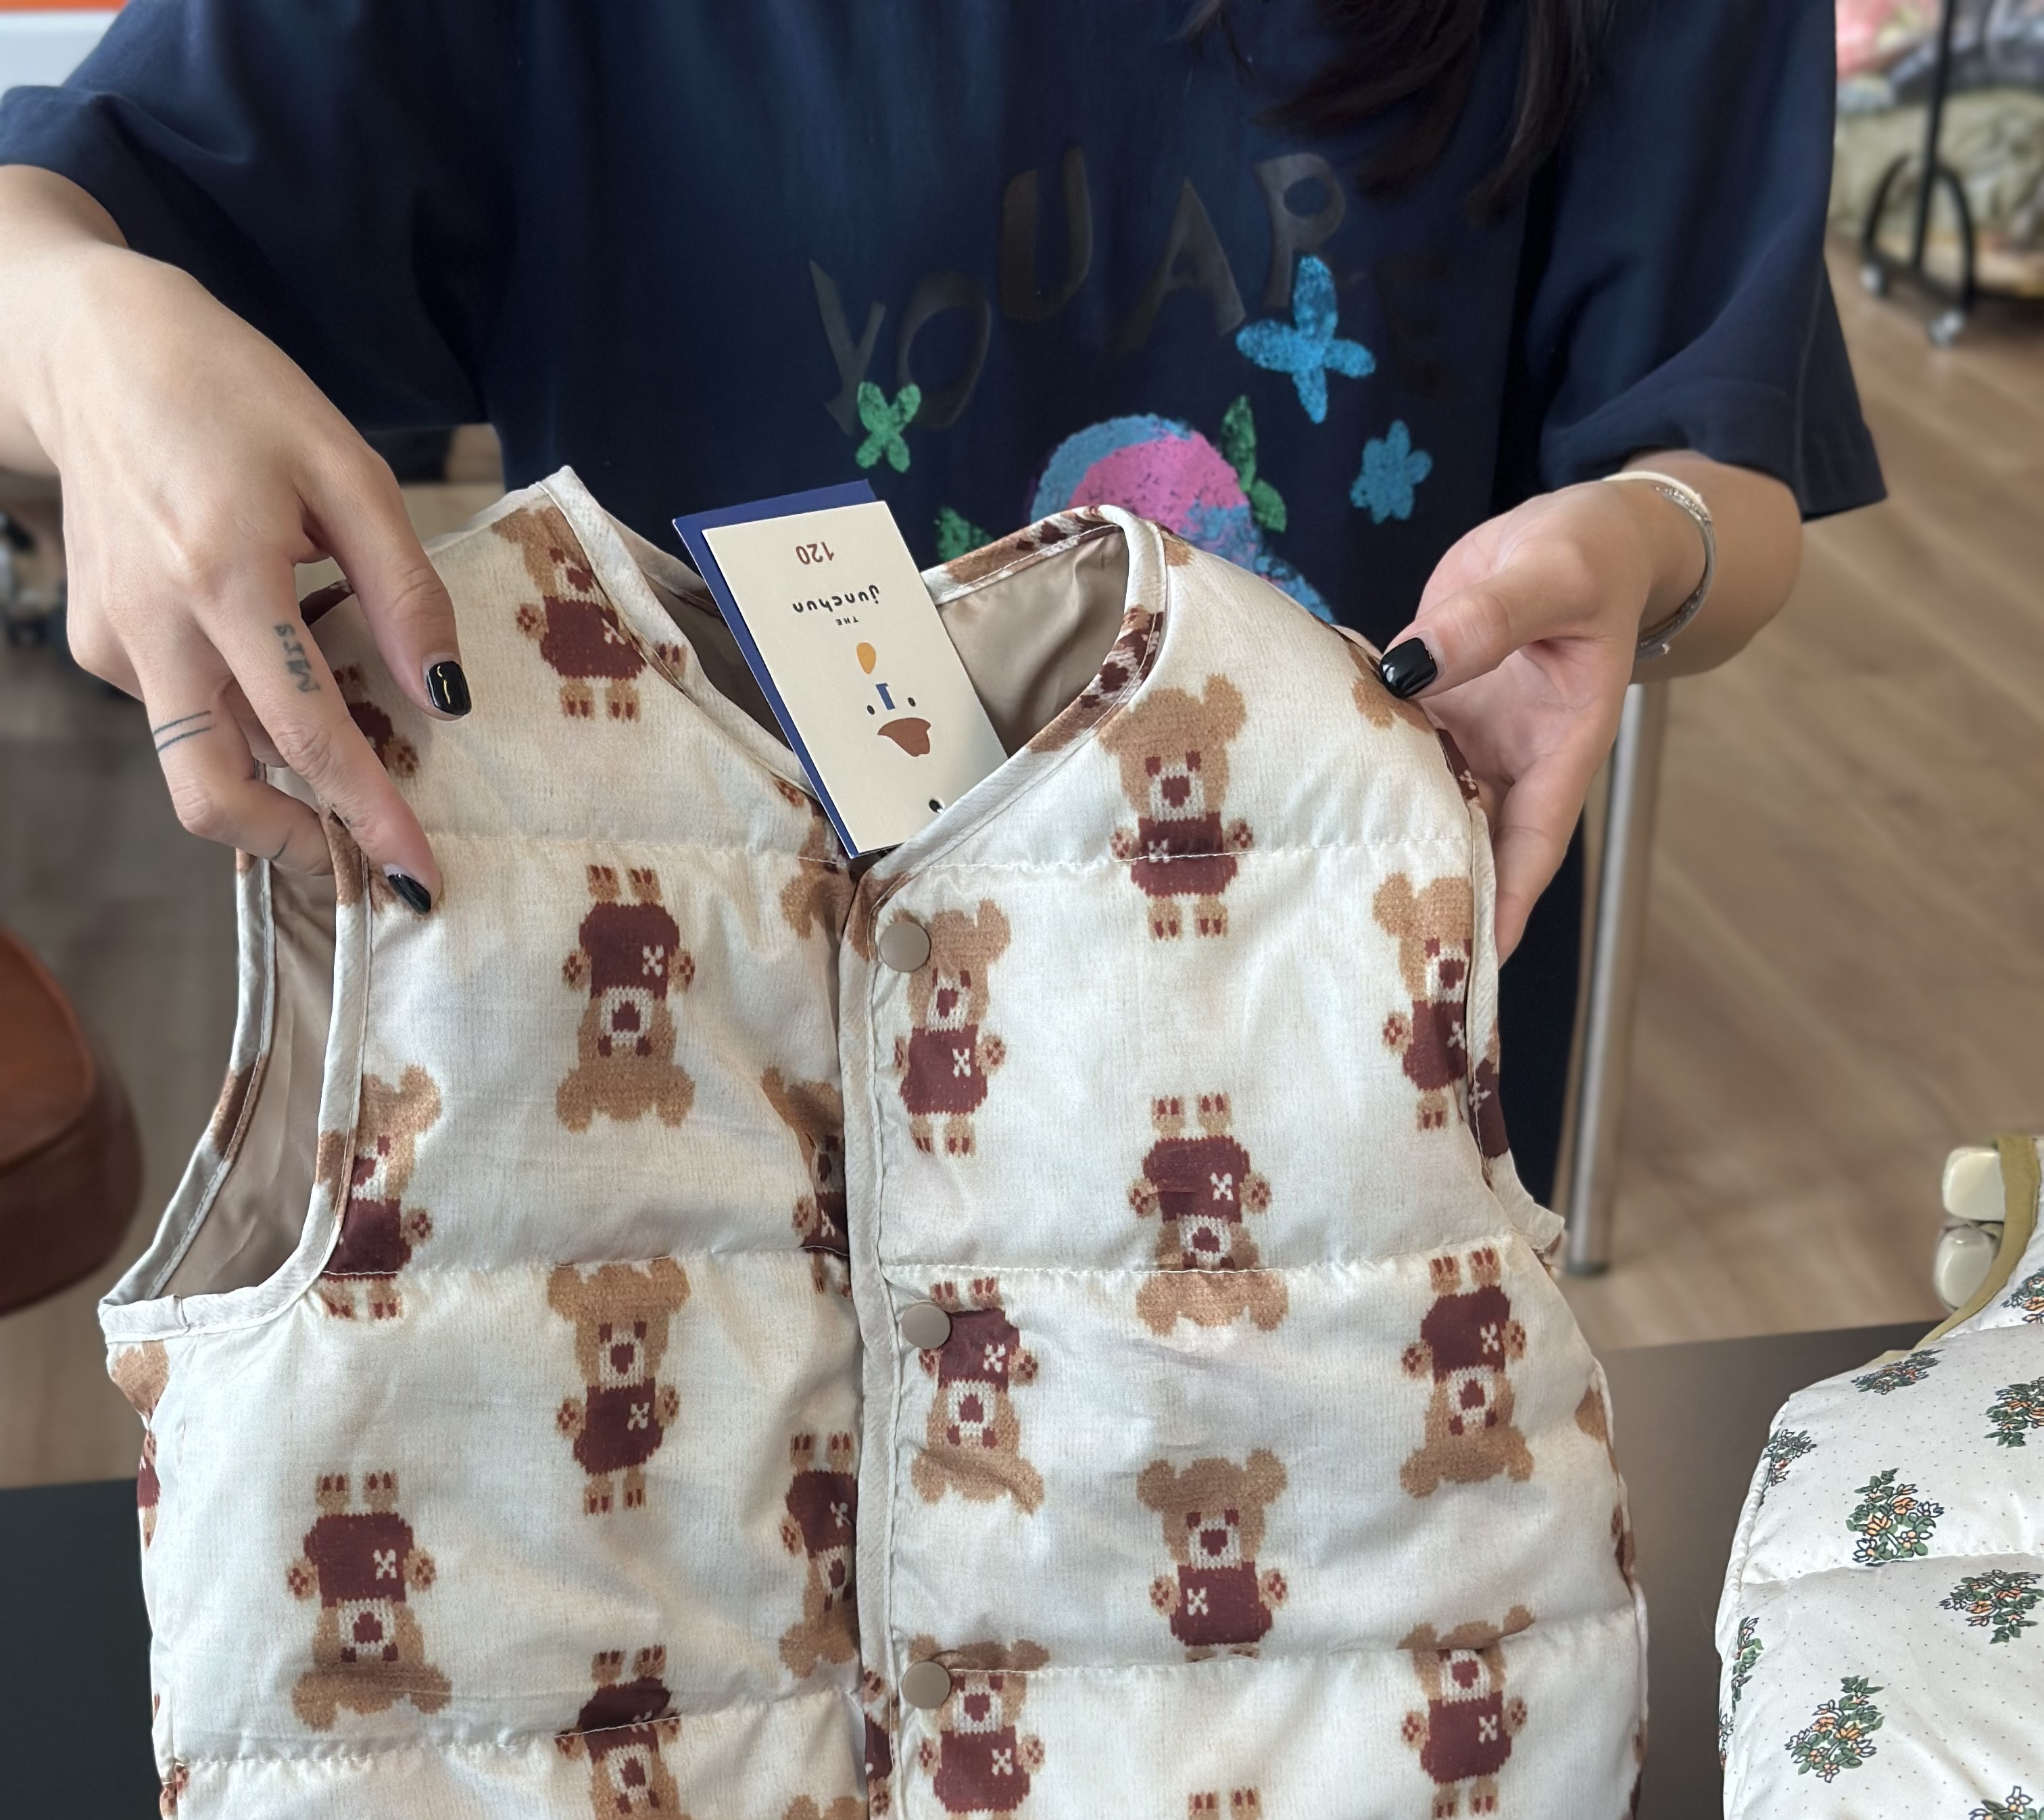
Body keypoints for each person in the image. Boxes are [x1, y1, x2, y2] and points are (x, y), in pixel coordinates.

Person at [0, 0, 1878, 1202]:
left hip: (1334, 1109)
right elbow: (57, 213)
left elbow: (1719, 441)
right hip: (735, 1131)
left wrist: (1651, 539)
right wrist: (84, 331)